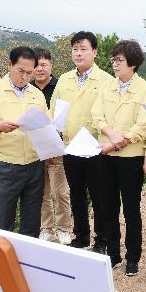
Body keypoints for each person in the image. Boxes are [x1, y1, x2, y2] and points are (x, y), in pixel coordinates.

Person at [91, 39, 146, 275]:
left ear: (133, 64)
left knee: (131, 208)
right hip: (104, 154)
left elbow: (144, 125)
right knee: (107, 205)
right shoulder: (107, 86)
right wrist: (110, 135)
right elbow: (96, 114)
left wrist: (120, 142)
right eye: (114, 60)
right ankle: (113, 253)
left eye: (119, 60)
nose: (115, 65)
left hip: (130, 158)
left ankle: (133, 256)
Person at [0, 46, 49, 237]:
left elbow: (45, 124)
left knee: (31, 223)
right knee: (3, 222)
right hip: (7, 166)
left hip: (35, 165)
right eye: (20, 70)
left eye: (29, 73)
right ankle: (1, 263)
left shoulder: (37, 94)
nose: (24, 76)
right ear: (9, 65)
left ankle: (27, 263)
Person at [53, 31, 116, 253]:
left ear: (95, 52)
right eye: (75, 49)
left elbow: (110, 115)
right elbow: (56, 113)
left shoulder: (107, 81)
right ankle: (81, 237)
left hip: (95, 148)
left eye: (83, 49)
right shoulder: (64, 80)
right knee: (77, 196)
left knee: (99, 197)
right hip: (71, 147)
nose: (78, 54)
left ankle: (102, 241)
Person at [32, 48, 72, 245]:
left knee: (61, 192)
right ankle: (46, 229)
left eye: (44, 65)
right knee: (42, 193)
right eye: (36, 65)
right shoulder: (28, 90)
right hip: (36, 151)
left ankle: (64, 229)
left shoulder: (59, 87)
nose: (40, 69)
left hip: (57, 148)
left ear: (50, 66)